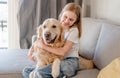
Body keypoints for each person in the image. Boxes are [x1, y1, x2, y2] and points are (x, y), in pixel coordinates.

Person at [23, 3, 82, 78]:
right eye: (65, 17)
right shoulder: (57, 25)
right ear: (61, 14)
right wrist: (31, 50)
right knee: (26, 71)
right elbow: (39, 38)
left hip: (70, 61)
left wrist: (43, 46)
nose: (66, 21)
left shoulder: (73, 31)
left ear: (76, 21)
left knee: (40, 72)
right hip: (59, 59)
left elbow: (63, 52)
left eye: (71, 19)